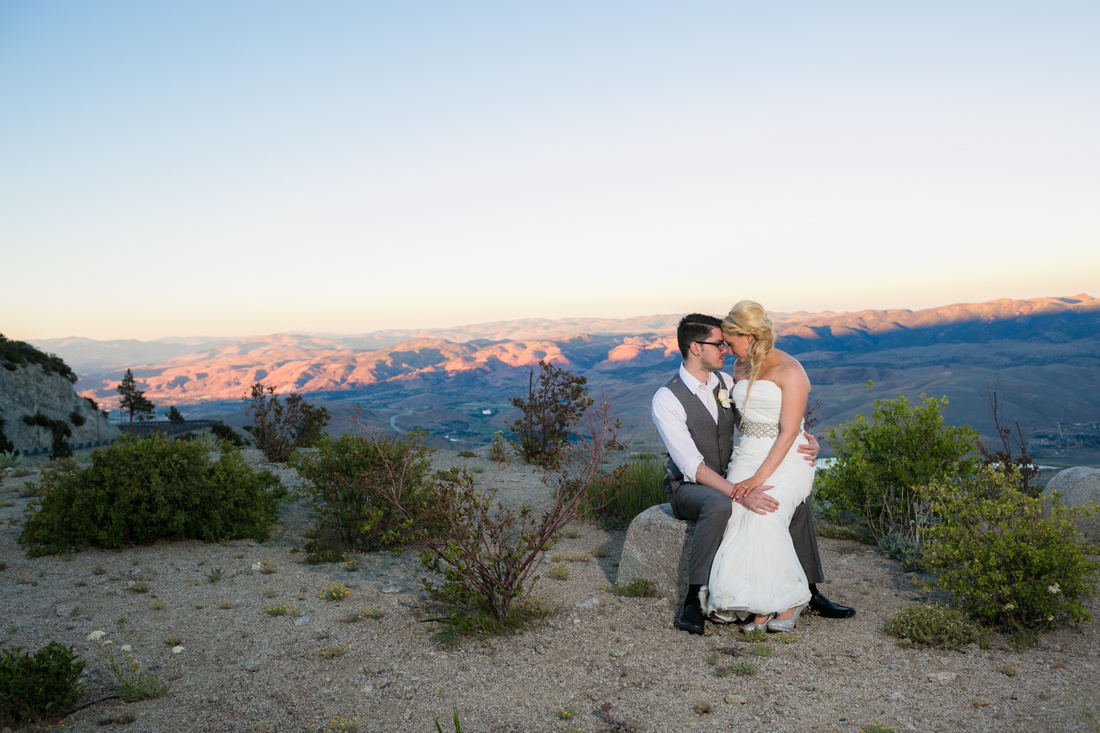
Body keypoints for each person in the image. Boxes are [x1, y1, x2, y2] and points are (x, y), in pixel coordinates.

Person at [652, 313, 854, 636]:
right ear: (694, 348)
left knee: (788, 502)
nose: (725, 349)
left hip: (732, 471)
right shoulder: (667, 399)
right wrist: (738, 491)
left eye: (726, 342)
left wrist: (806, 438)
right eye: (718, 344)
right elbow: (690, 466)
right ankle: (693, 597)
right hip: (689, 487)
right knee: (723, 506)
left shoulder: (726, 383)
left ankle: (810, 590)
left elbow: (766, 410)